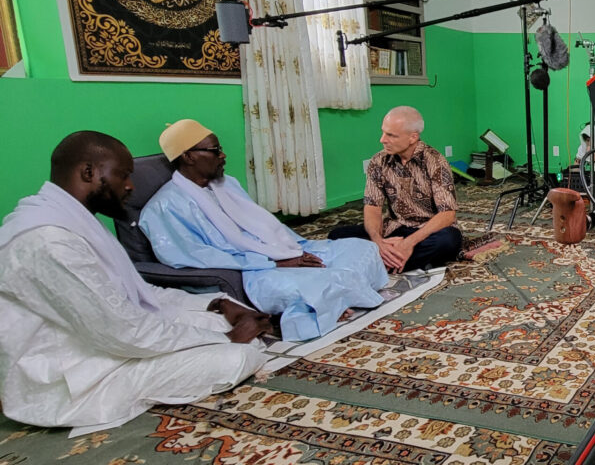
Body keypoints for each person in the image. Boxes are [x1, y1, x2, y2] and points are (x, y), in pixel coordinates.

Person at [0, 131, 270, 434]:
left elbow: (137, 294)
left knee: (223, 319)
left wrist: (217, 303)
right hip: (73, 376)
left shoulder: (71, 219)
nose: (130, 186)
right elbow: (125, 331)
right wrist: (227, 339)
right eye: (123, 175)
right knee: (239, 355)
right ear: (89, 172)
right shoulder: (49, 240)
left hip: (105, 338)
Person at [139, 120, 389, 342]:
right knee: (329, 279)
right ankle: (331, 299)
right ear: (188, 156)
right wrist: (274, 262)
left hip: (281, 253)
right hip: (253, 271)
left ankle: (333, 301)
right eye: (215, 151)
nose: (223, 155)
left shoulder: (228, 185)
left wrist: (293, 251)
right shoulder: (165, 207)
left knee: (363, 247)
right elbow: (196, 257)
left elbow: (266, 225)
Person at [330, 106, 462, 273]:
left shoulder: (435, 161)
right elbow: (372, 207)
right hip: (393, 229)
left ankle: (380, 262)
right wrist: (378, 241)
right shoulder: (378, 161)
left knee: (449, 241)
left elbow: (447, 214)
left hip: (427, 230)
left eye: (391, 135)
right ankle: (395, 259)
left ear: (413, 137)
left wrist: (408, 243)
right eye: (384, 132)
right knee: (336, 236)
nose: (382, 139)